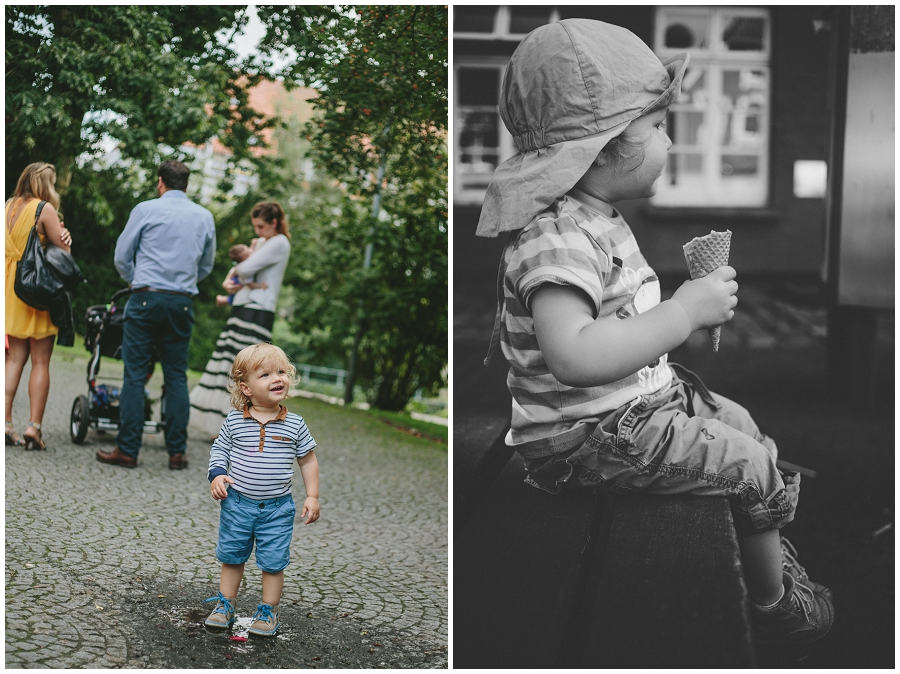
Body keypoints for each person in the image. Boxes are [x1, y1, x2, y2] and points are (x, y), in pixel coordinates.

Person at [476, 19, 833, 646]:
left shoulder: (599, 218)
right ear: (606, 145)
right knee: (748, 464)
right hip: (581, 438)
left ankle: (767, 550)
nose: (671, 141)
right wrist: (682, 313)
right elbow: (575, 356)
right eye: (657, 127)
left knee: (743, 424)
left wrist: (679, 315)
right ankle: (774, 599)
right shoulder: (555, 237)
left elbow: (619, 324)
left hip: (633, 410)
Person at [96, 160, 216, 469]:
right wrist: (183, 283)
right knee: (176, 377)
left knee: (135, 374)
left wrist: (136, 280)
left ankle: (127, 450)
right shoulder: (204, 217)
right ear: (186, 186)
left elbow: (122, 255)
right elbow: (206, 265)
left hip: (146, 298)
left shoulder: (145, 209)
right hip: (182, 302)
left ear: (160, 182)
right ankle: (176, 453)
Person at [202, 342, 319, 637]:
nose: (277, 378)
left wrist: (313, 495)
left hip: (278, 509)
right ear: (246, 388)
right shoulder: (235, 421)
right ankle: (225, 604)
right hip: (237, 503)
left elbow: (307, 459)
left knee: (273, 561)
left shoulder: (294, 424)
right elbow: (220, 450)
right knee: (232, 556)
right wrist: (217, 475)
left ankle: (268, 611)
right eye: (265, 374)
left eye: (281, 372)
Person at [190, 202, 292, 439]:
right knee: (230, 367)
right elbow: (240, 268)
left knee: (250, 373)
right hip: (245, 307)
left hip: (258, 310)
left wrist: (235, 275)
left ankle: (242, 429)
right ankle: (224, 427)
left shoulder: (279, 242)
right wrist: (230, 280)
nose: (257, 231)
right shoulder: (265, 242)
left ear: (274, 223)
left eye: (261, 226)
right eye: (255, 226)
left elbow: (246, 267)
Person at [5, 163, 74, 450]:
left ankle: (4, 423)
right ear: (45, 184)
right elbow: (63, 256)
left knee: (13, 359)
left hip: (10, 288)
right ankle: (34, 427)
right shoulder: (43, 208)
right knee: (41, 361)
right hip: (37, 292)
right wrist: (66, 238)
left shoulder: (7, 205)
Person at [215, 241, 268, 307]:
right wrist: (260, 286)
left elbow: (250, 250)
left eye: (248, 249)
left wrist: (252, 244)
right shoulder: (244, 271)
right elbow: (249, 284)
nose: (250, 252)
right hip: (236, 281)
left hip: (235, 276)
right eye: (248, 254)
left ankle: (222, 299)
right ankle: (221, 299)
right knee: (233, 298)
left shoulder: (248, 254)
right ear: (243, 260)